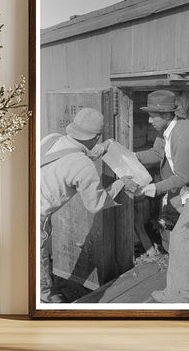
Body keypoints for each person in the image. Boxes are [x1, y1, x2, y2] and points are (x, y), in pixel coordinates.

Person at [40, 107, 137, 303]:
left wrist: (98, 150)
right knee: (37, 260)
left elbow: (69, 159)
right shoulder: (83, 165)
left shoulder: (52, 139)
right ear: (96, 136)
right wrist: (121, 183)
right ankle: (45, 301)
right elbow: (96, 204)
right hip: (36, 215)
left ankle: (44, 294)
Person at [136, 90, 189, 303]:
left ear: (168, 115)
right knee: (181, 238)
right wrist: (132, 157)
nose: (149, 120)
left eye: (153, 116)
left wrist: (155, 188)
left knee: (181, 239)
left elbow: (181, 176)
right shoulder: (166, 132)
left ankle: (176, 296)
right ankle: (176, 293)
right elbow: (157, 154)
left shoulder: (183, 136)